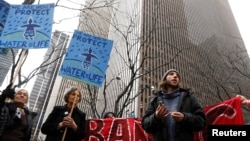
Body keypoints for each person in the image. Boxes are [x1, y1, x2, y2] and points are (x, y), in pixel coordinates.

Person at [141, 69, 207, 141]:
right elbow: (145, 125)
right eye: (171, 74)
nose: (175, 76)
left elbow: (202, 122)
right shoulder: (154, 100)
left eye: (177, 75)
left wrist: (184, 118)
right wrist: (156, 117)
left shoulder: (189, 97)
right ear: (165, 79)